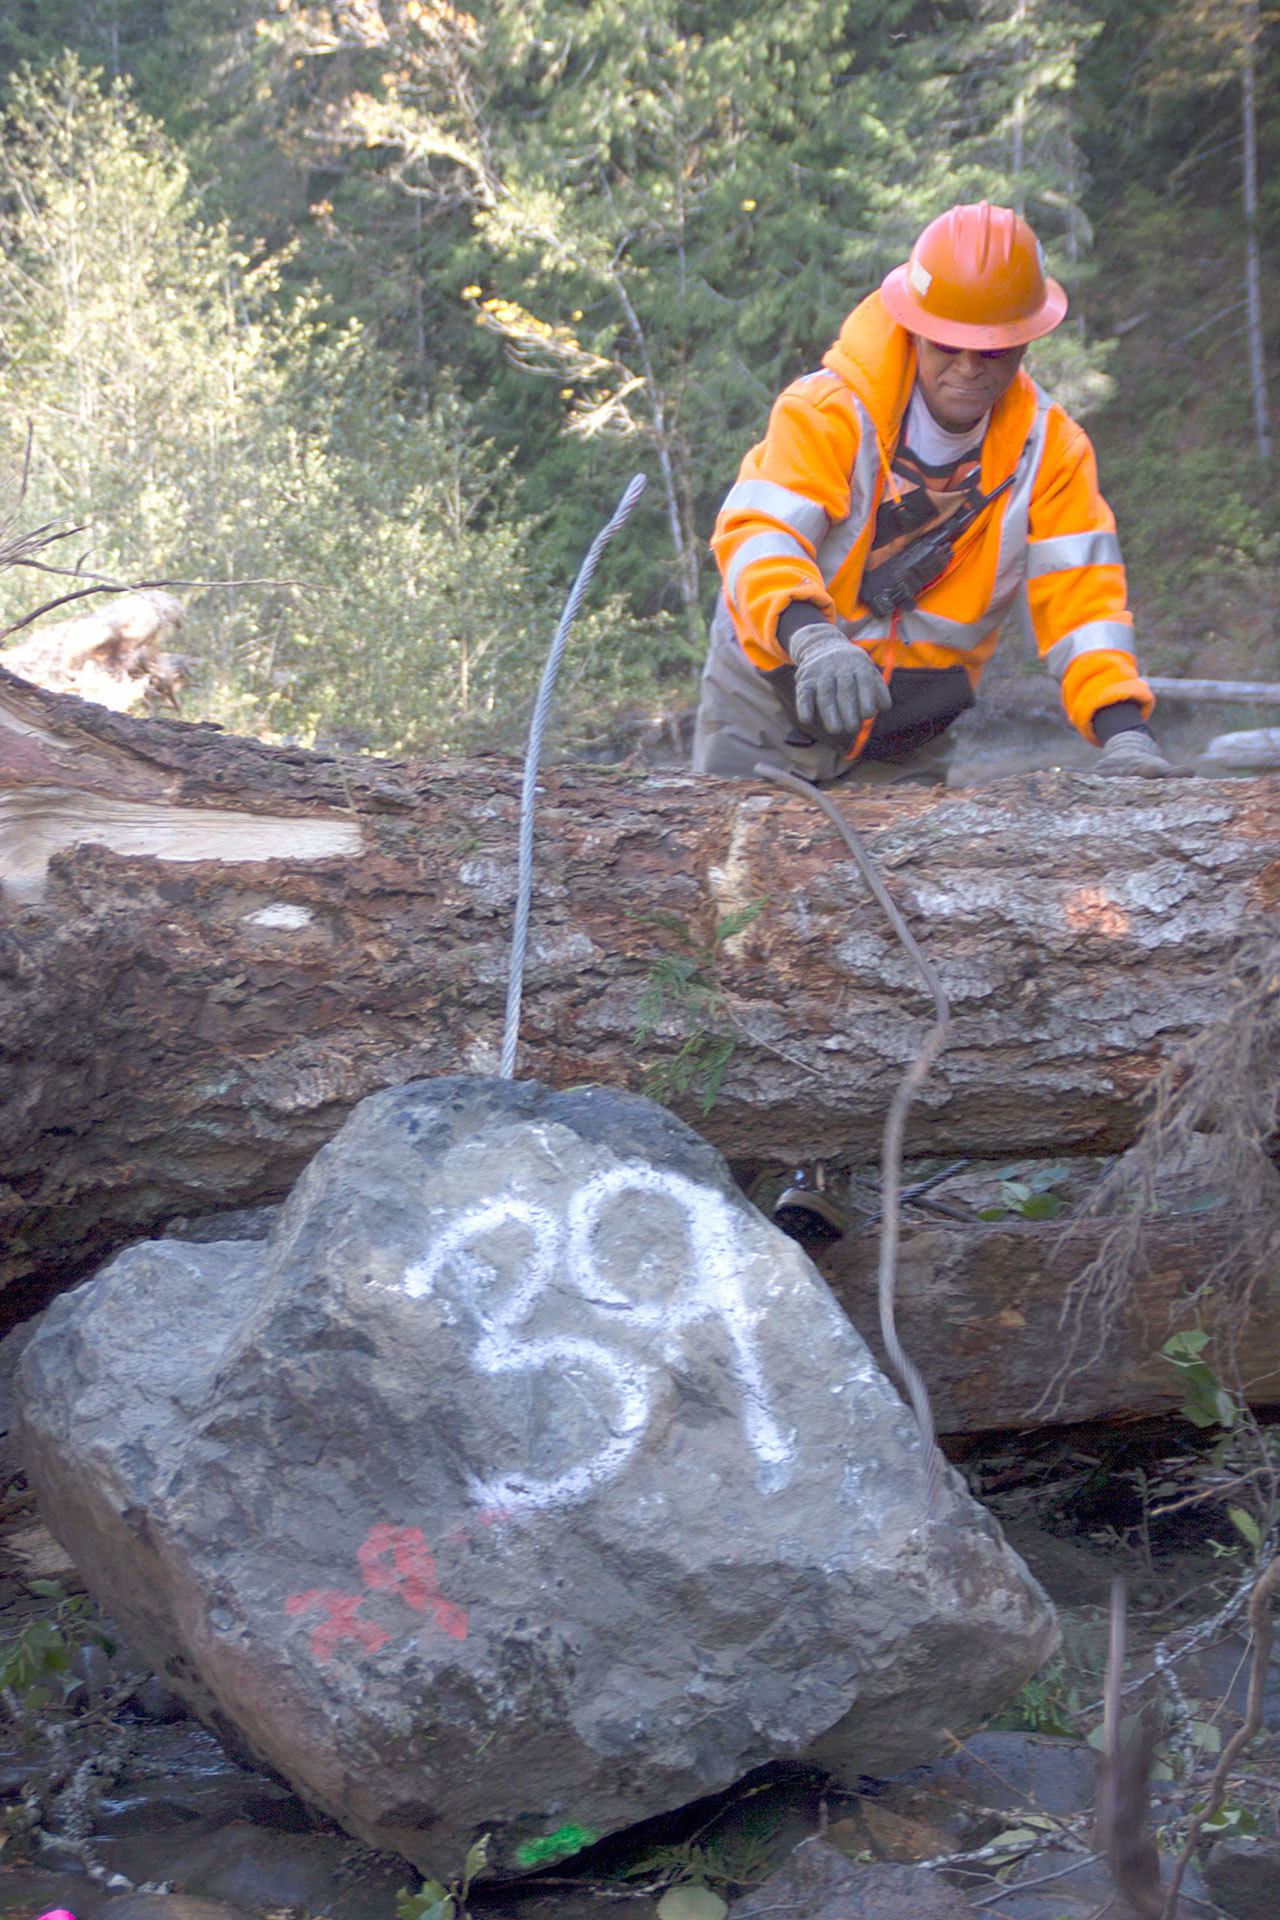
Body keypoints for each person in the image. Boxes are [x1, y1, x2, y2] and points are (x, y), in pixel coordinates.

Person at [693, 201, 1172, 788]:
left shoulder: (1054, 453)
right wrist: (812, 637)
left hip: (909, 731)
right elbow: (759, 535)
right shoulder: (827, 412)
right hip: (770, 694)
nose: (968, 368)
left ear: (1025, 341)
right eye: (947, 344)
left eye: (992, 349)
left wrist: (1123, 728)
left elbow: (1084, 605)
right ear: (915, 329)